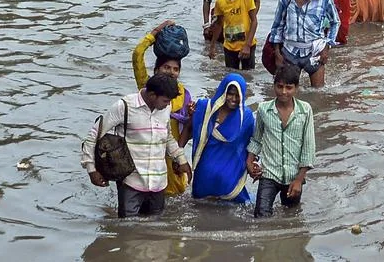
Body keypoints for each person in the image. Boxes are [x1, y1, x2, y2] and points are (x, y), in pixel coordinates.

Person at [81, 74, 193, 217]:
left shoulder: (165, 107)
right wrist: (91, 169)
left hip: (159, 183)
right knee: (127, 228)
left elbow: (167, 137)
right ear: (152, 95)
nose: (168, 104)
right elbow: (94, 136)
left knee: (156, 230)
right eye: (165, 101)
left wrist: (181, 159)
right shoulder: (125, 106)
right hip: (130, 181)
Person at [247, 64, 316, 217]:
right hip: (269, 174)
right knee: (261, 216)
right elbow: (257, 139)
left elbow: (308, 147)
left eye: (289, 87)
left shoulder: (305, 111)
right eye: (280, 86)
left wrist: (299, 179)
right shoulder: (264, 109)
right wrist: (249, 161)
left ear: (296, 88)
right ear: (274, 86)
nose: (284, 92)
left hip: (293, 176)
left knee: (291, 215)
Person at [131, 28, 194, 196]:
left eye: (175, 69)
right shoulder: (148, 87)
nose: (171, 72)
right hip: (148, 148)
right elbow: (137, 55)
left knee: (175, 193)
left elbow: (187, 129)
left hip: (171, 151)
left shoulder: (183, 93)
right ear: (157, 69)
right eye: (166, 67)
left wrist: (191, 116)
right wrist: (156, 32)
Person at [264, 0, 341, 88]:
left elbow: (335, 22)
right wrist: (277, 53)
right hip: (290, 51)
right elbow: (277, 27)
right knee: (288, 89)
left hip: (315, 51)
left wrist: (327, 47)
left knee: (318, 92)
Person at [191, 74, 256, 203]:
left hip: (229, 172)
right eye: (230, 94)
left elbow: (253, 142)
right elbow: (189, 128)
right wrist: (179, 157)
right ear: (223, 91)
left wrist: (251, 164)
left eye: (238, 95)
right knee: (200, 208)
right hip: (204, 171)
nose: (233, 99)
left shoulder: (246, 117)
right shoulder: (205, 108)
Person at [212, 0, 260, 71]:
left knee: (249, 75)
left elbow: (254, 21)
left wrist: (247, 45)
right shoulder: (220, 2)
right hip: (229, 46)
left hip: (247, 45)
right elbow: (219, 24)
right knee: (231, 74)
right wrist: (212, 46)